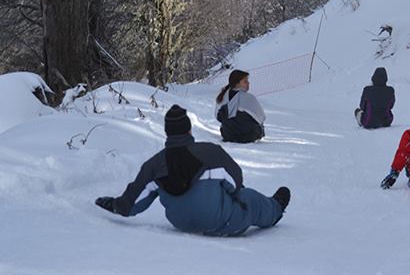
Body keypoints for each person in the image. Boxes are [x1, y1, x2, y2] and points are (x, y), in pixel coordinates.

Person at [95, 105, 289, 236]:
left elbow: (132, 203)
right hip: (222, 221)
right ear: (189, 130)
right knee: (250, 198)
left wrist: (114, 204)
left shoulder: (154, 165)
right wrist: (234, 194)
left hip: (181, 223)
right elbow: (236, 182)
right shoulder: (211, 152)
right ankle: (276, 208)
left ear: (167, 133)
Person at [215, 70, 266, 143]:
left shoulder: (223, 96)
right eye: (245, 81)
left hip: (227, 135)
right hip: (248, 136)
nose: (248, 83)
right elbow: (261, 118)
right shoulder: (248, 98)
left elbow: (218, 117)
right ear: (237, 84)